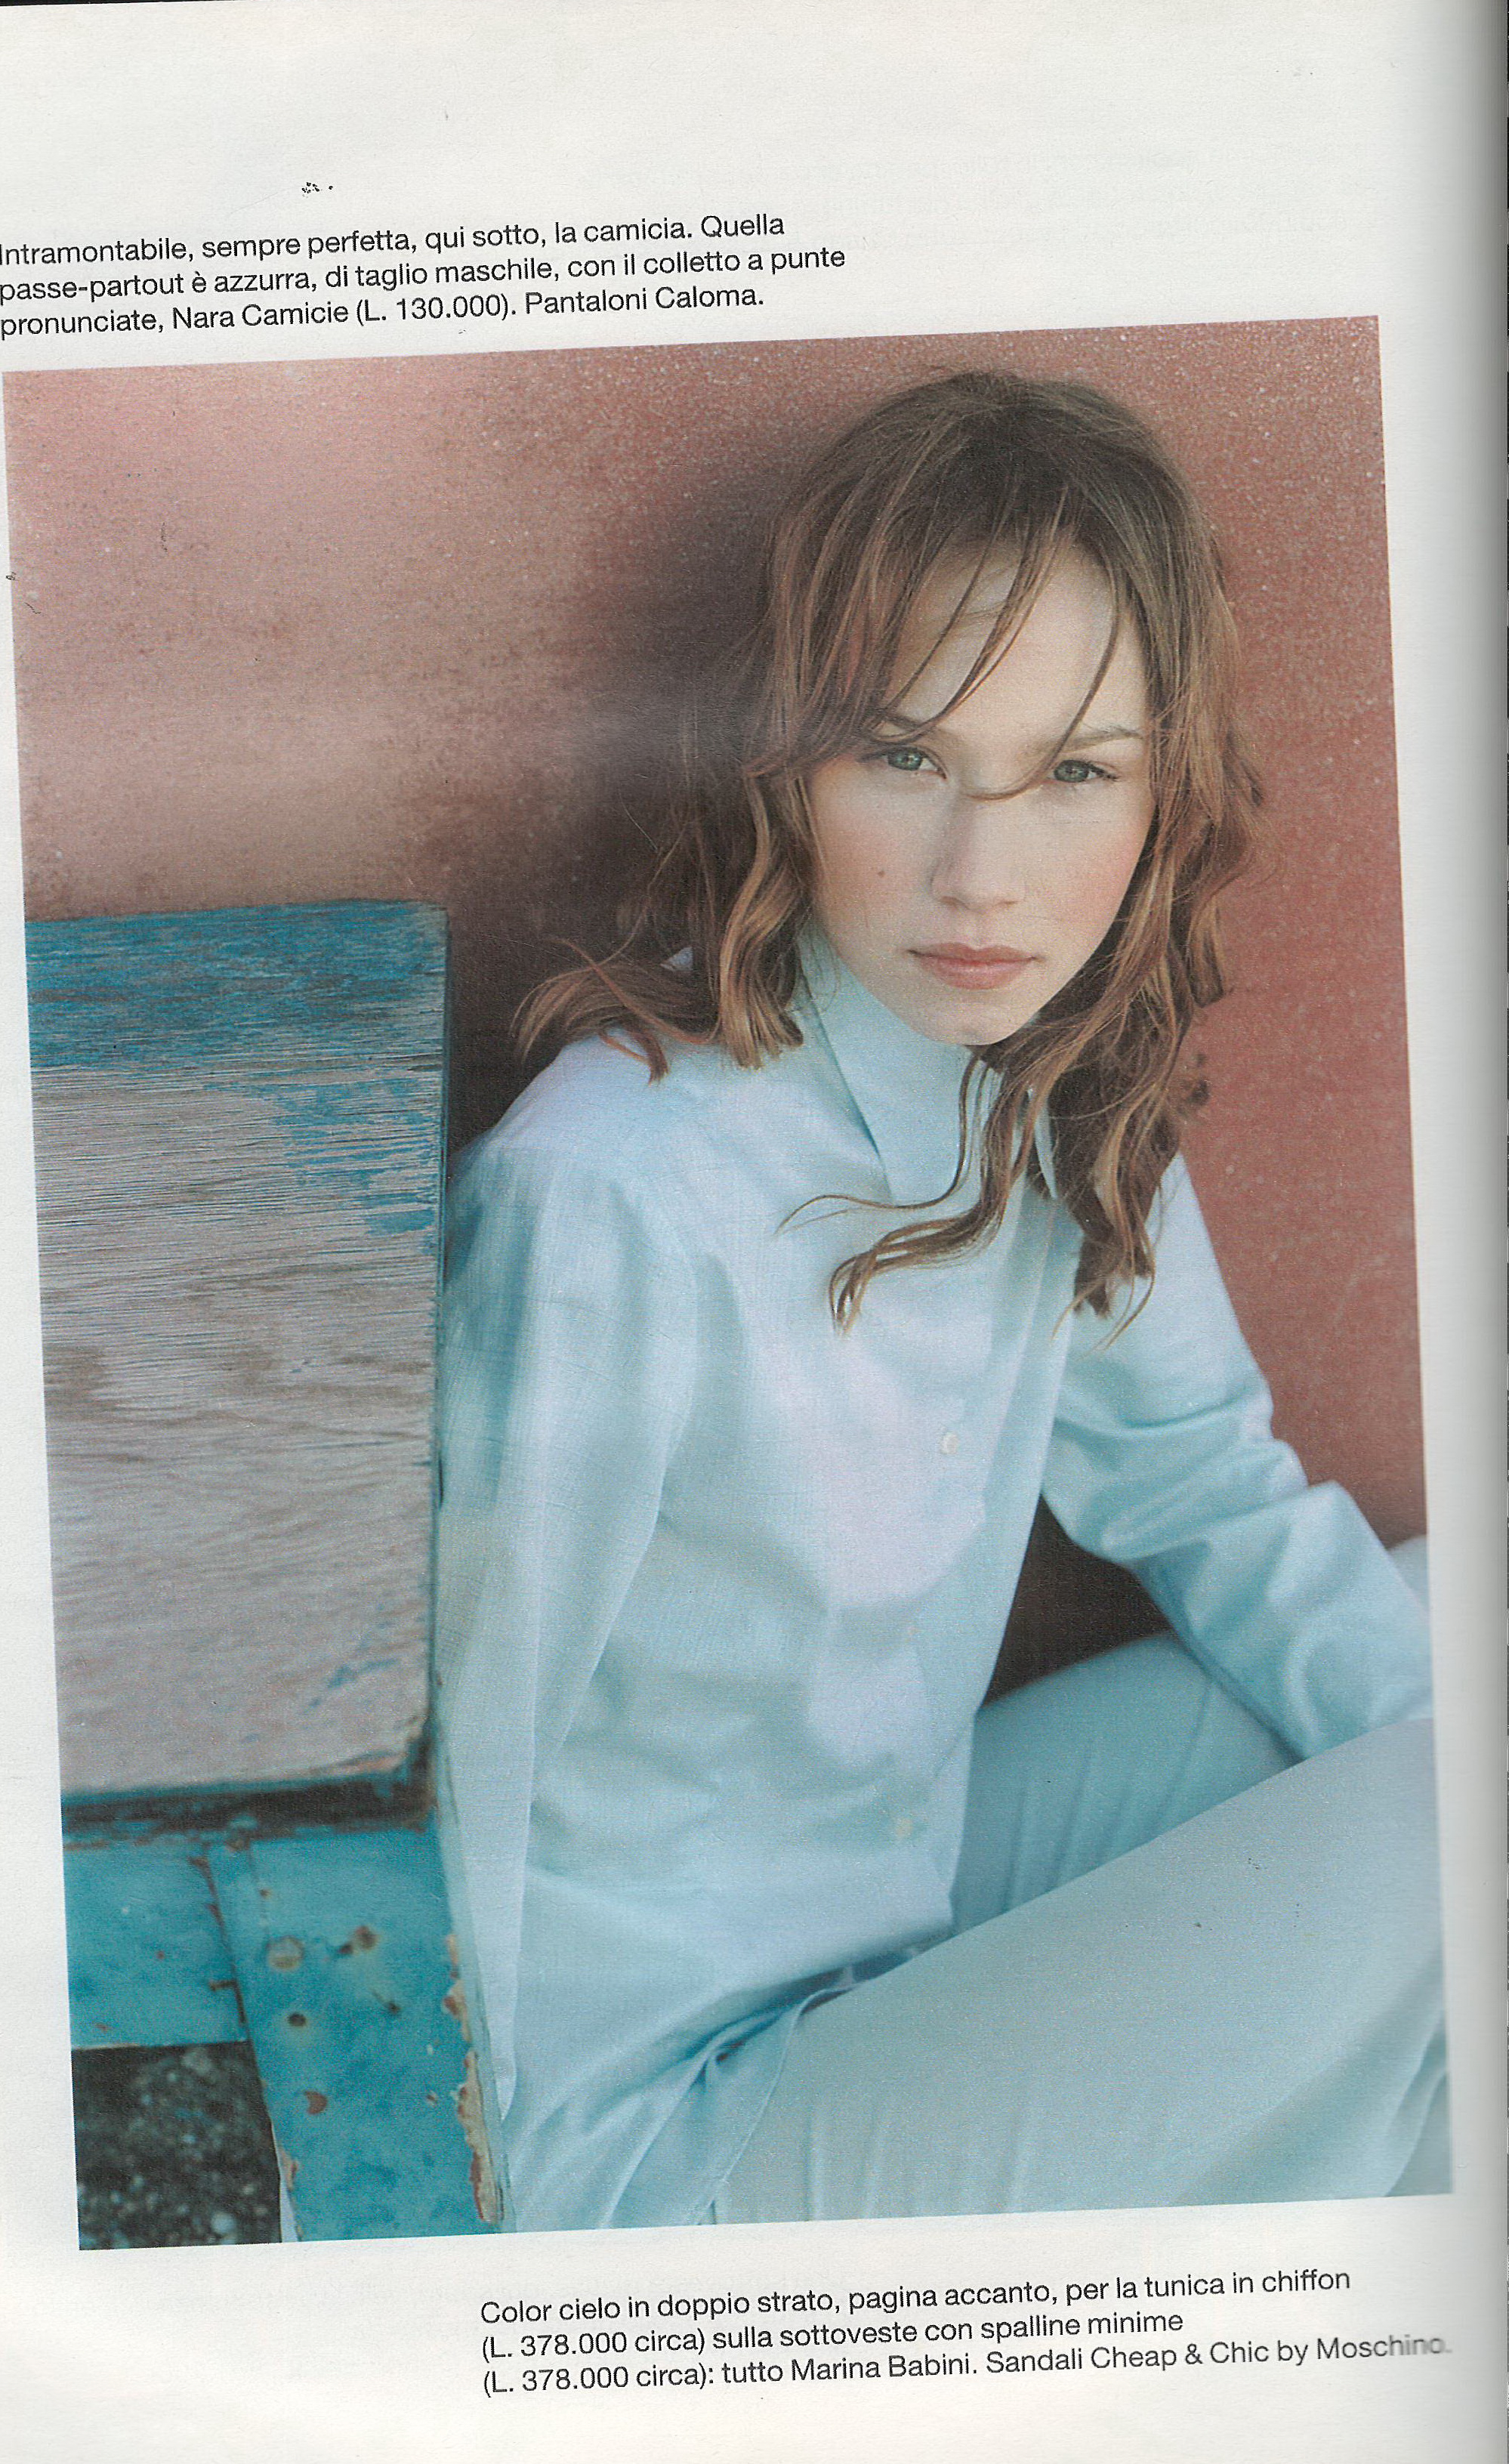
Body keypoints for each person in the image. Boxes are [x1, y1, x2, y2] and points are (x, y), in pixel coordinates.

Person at [431, 371, 1445, 2234]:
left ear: (1164, 790)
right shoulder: (612, 1196)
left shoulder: (1040, 1091)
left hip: (887, 1927)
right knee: (1455, 1844)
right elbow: (467, 1741)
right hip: (644, 2129)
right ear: (783, 763)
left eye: (1072, 773)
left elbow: (1205, 1488)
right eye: (903, 757)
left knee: (1448, 1620)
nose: (984, 880)